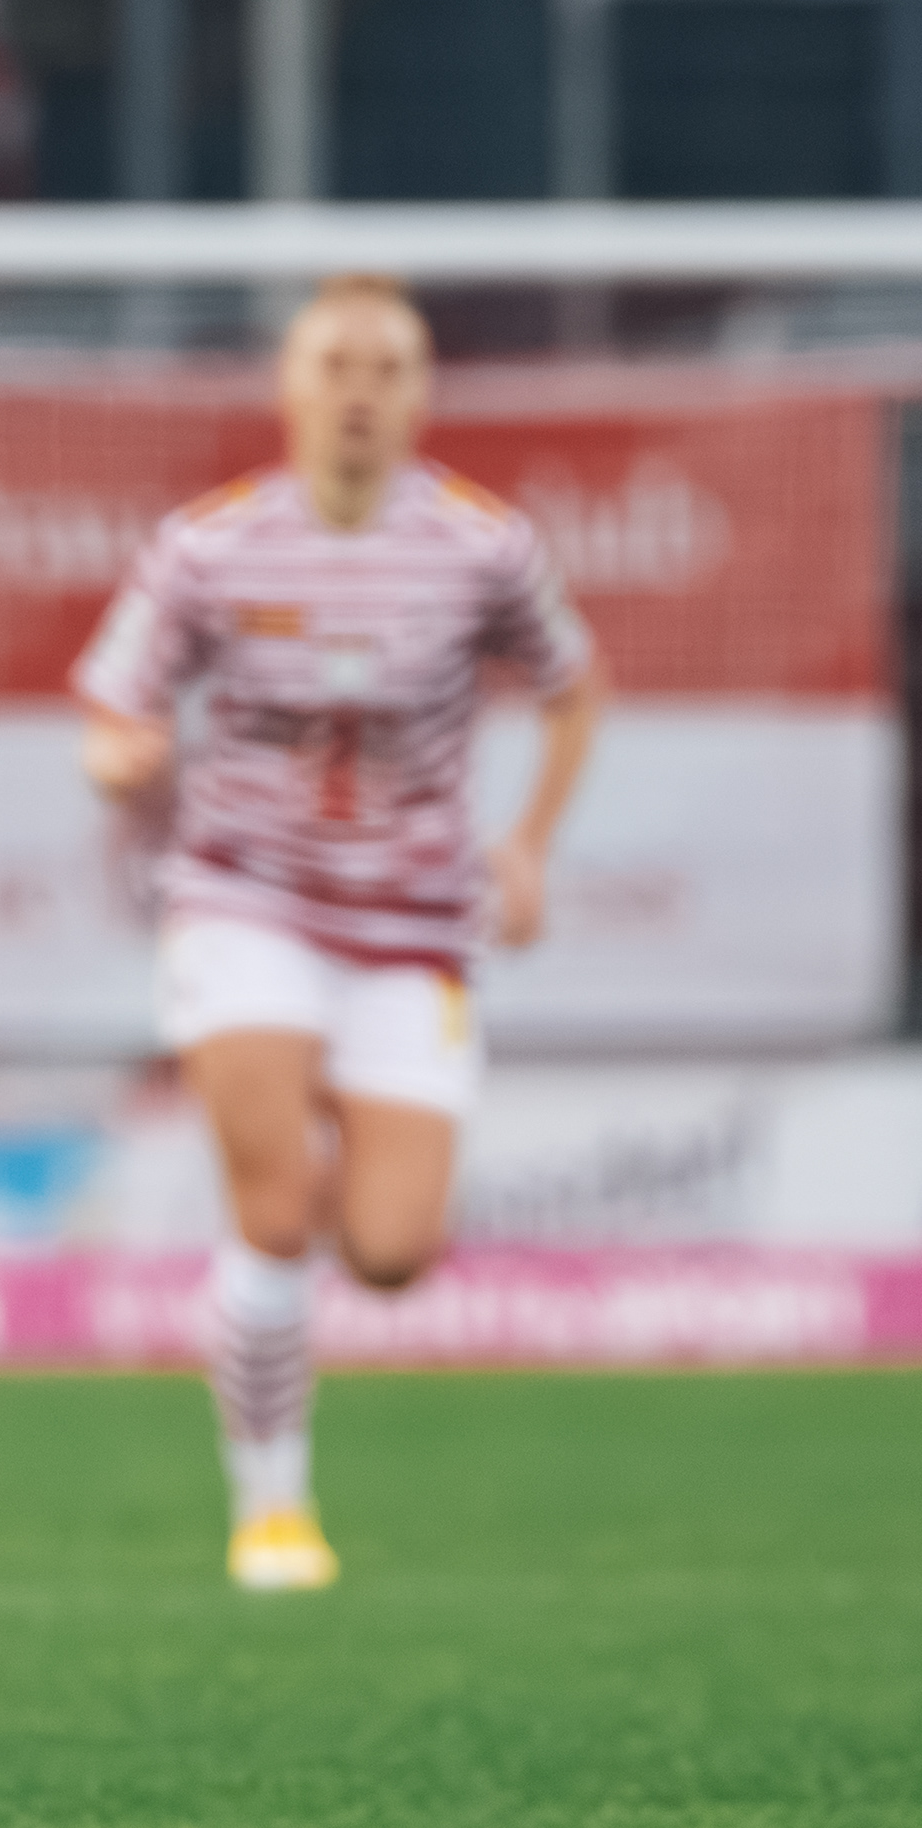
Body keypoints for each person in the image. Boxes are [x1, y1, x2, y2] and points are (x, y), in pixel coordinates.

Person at [73, 276, 606, 1596]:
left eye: (387, 369)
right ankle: (272, 1509)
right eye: (336, 366)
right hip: (245, 901)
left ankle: (299, 1150)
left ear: (422, 395)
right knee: (271, 1212)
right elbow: (114, 710)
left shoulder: (485, 547)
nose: (360, 392)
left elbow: (574, 684)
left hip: (412, 926)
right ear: (291, 389)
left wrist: (530, 845)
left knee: (389, 1252)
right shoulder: (208, 547)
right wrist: (123, 760)